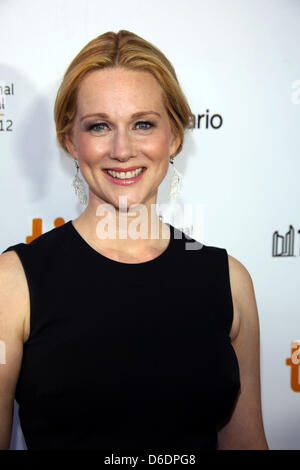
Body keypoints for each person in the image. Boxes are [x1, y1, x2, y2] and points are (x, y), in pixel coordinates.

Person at [0, 30, 268, 450]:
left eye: (143, 124)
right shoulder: (13, 283)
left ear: (175, 136)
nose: (122, 149)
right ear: (71, 140)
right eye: (100, 126)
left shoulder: (229, 281)